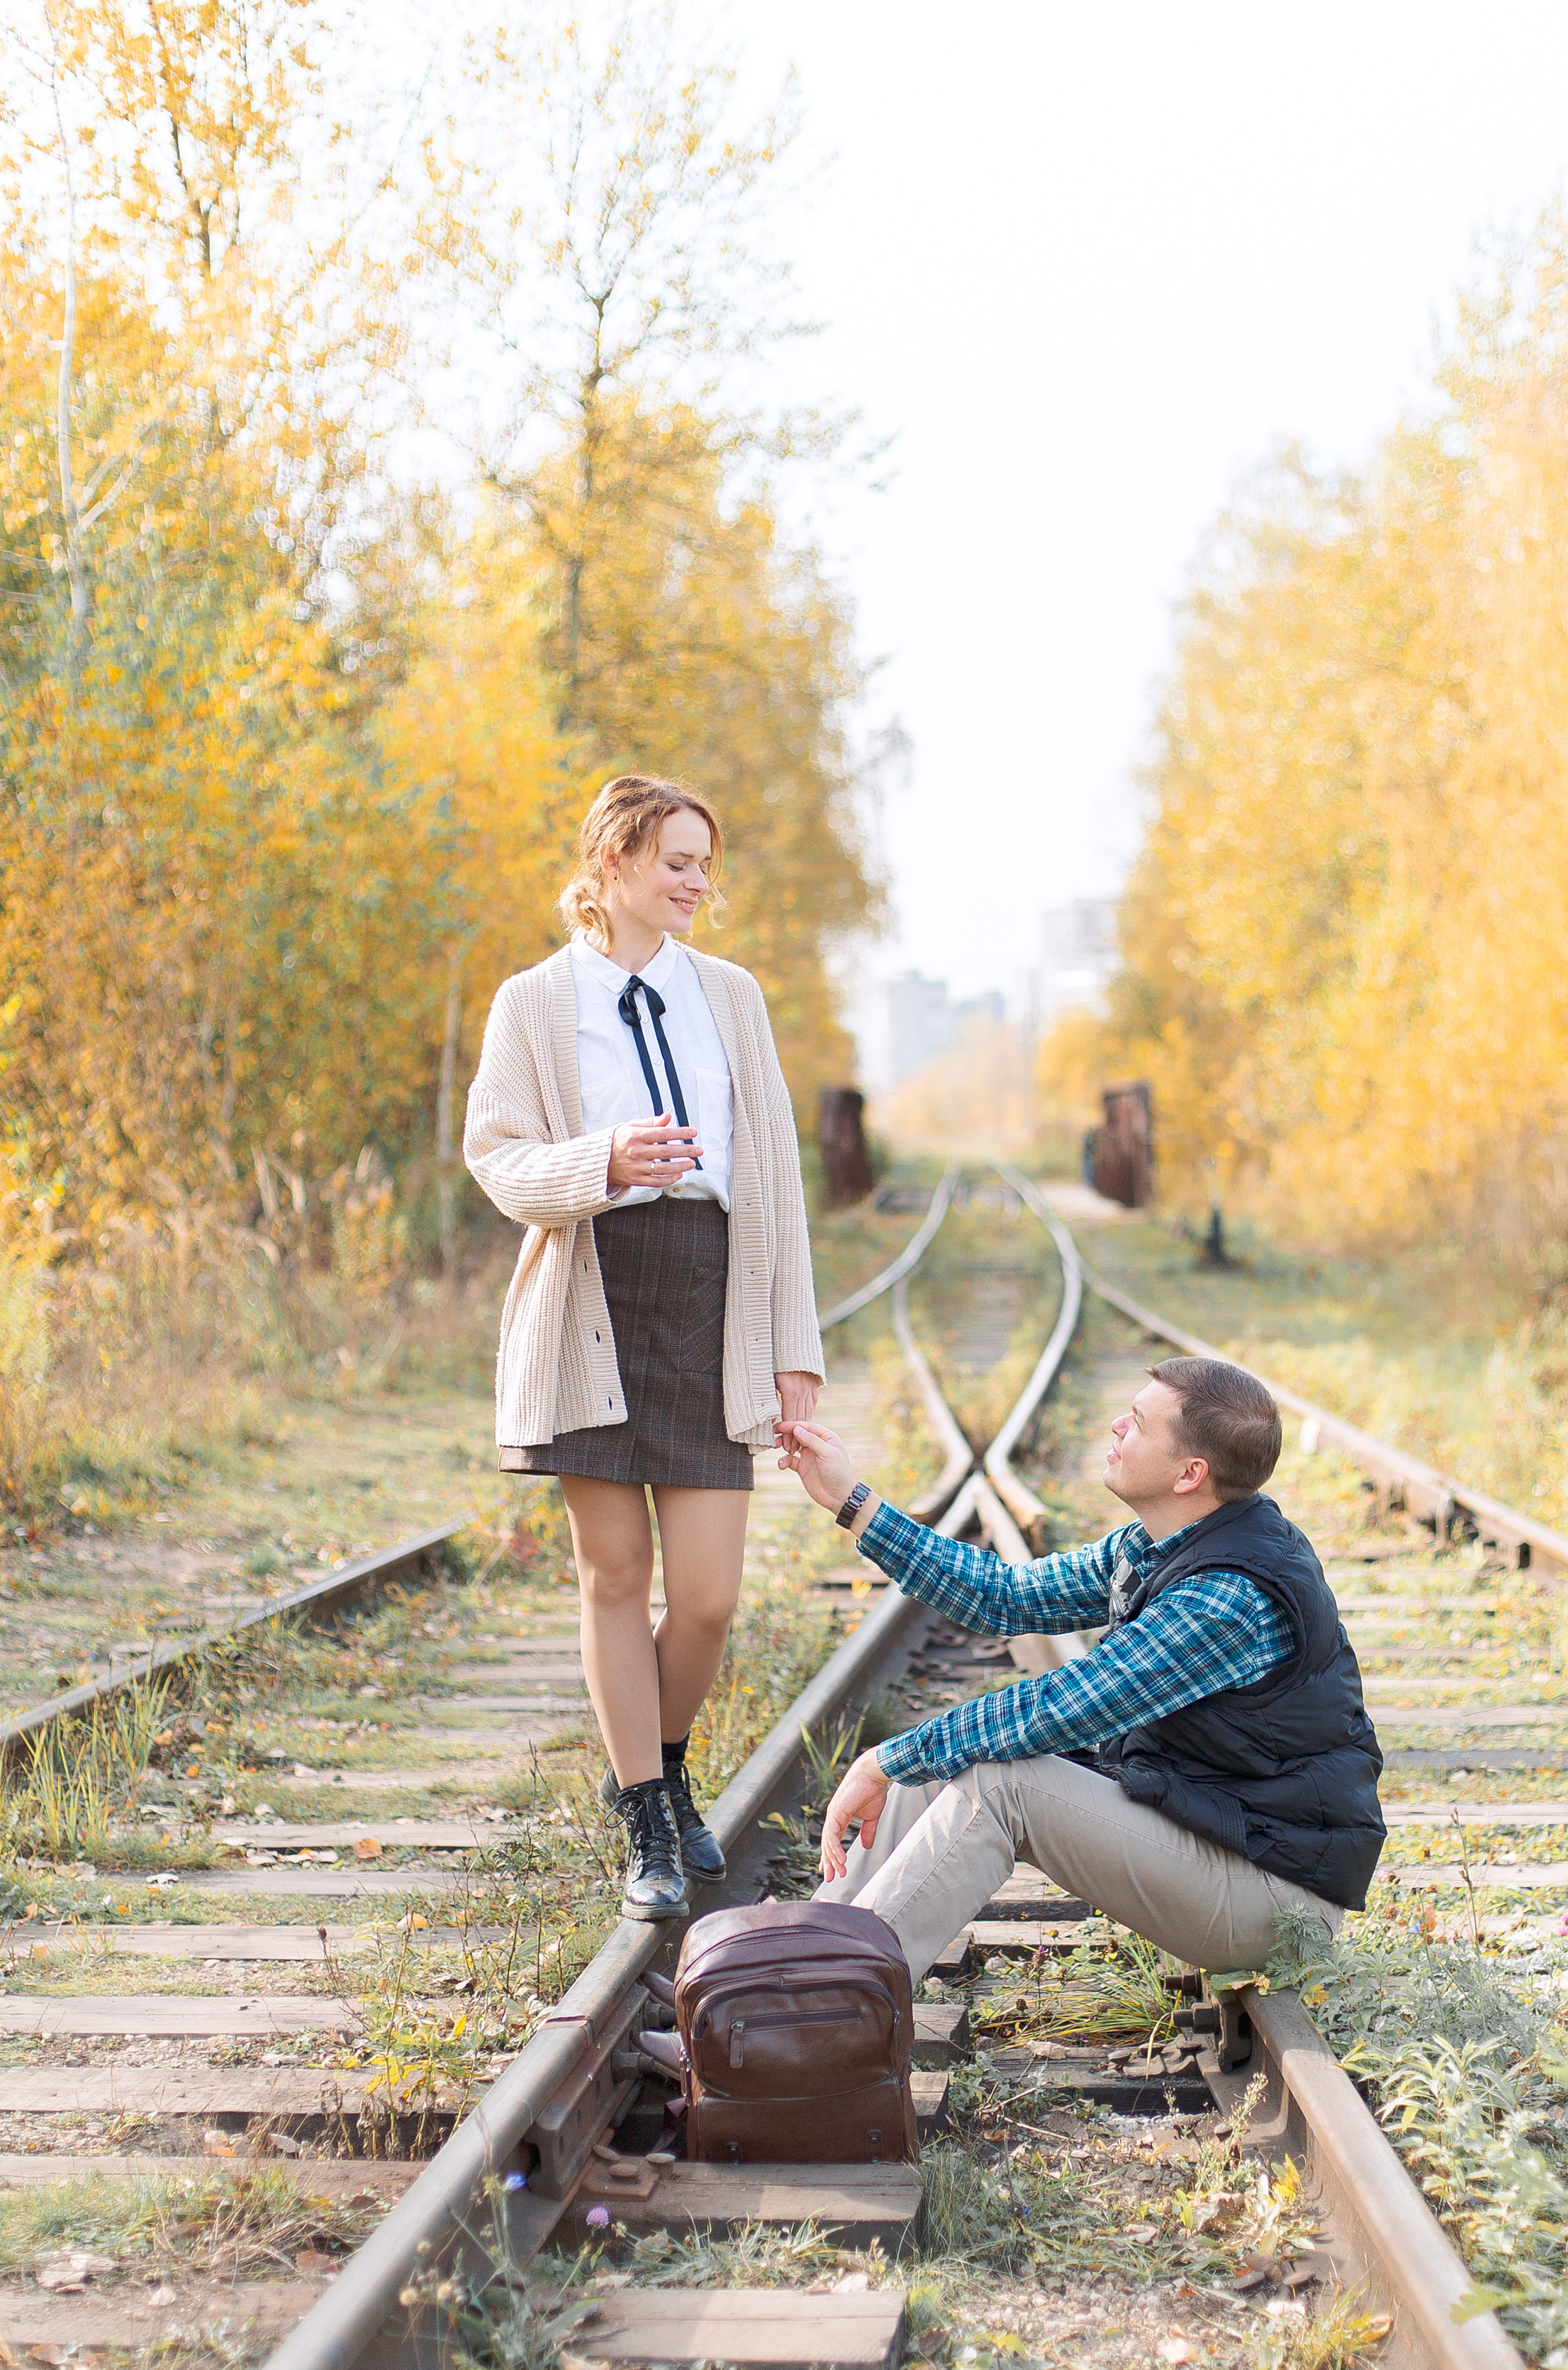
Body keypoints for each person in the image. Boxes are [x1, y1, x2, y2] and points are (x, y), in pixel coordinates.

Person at [464, 773, 823, 1920]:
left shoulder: (731, 997)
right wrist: (601, 1163)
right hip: (590, 1303)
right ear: (612, 861)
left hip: (712, 1300)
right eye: (676, 860)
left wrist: (793, 1343)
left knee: (708, 1598)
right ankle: (647, 1827)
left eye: (704, 864)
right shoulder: (534, 1002)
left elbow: (773, 1176)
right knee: (614, 1577)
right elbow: (499, 1161)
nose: (697, 884)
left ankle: (665, 1768)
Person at [778, 1356, 1382, 1981]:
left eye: (1140, 1423)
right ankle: (783, 1977)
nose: (1117, 1425)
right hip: (1217, 1838)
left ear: (1189, 1474)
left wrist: (885, 1758)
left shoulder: (1228, 1597)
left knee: (997, 1781)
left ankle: (818, 2016)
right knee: (934, 1768)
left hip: (1272, 1897)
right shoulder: (1158, 1545)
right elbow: (1005, 1594)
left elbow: (1061, 1709)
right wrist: (854, 1504)